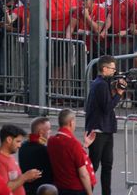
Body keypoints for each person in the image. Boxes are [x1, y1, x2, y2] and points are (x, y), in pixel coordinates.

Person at [84, 55, 126, 195]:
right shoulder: (100, 84)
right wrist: (119, 94)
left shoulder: (103, 83)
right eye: (113, 68)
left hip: (106, 129)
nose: (115, 71)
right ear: (104, 68)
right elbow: (107, 107)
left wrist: (114, 91)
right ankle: (87, 191)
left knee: (107, 165)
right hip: (98, 129)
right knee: (93, 165)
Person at [47, 109, 97, 195]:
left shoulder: (51, 141)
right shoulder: (73, 144)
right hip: (76, 189)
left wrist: (85, 145)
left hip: (60, 188)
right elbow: (83, 174)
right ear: (71, 122)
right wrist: (90, 193)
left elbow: (69, 157)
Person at [0, 124, 42, 195]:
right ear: (9, 140)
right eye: (18, 141)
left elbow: (16, 180)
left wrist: (28, 178)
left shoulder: (10, 157)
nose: (20, 145)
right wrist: (25, 177)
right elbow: (4, 188)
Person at [19, 117, 54, 195]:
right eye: (49, 129)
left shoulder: (23, 146)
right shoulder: (43, 150)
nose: (50, 131)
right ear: (41, 132)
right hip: (42, 190)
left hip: (26, 188)